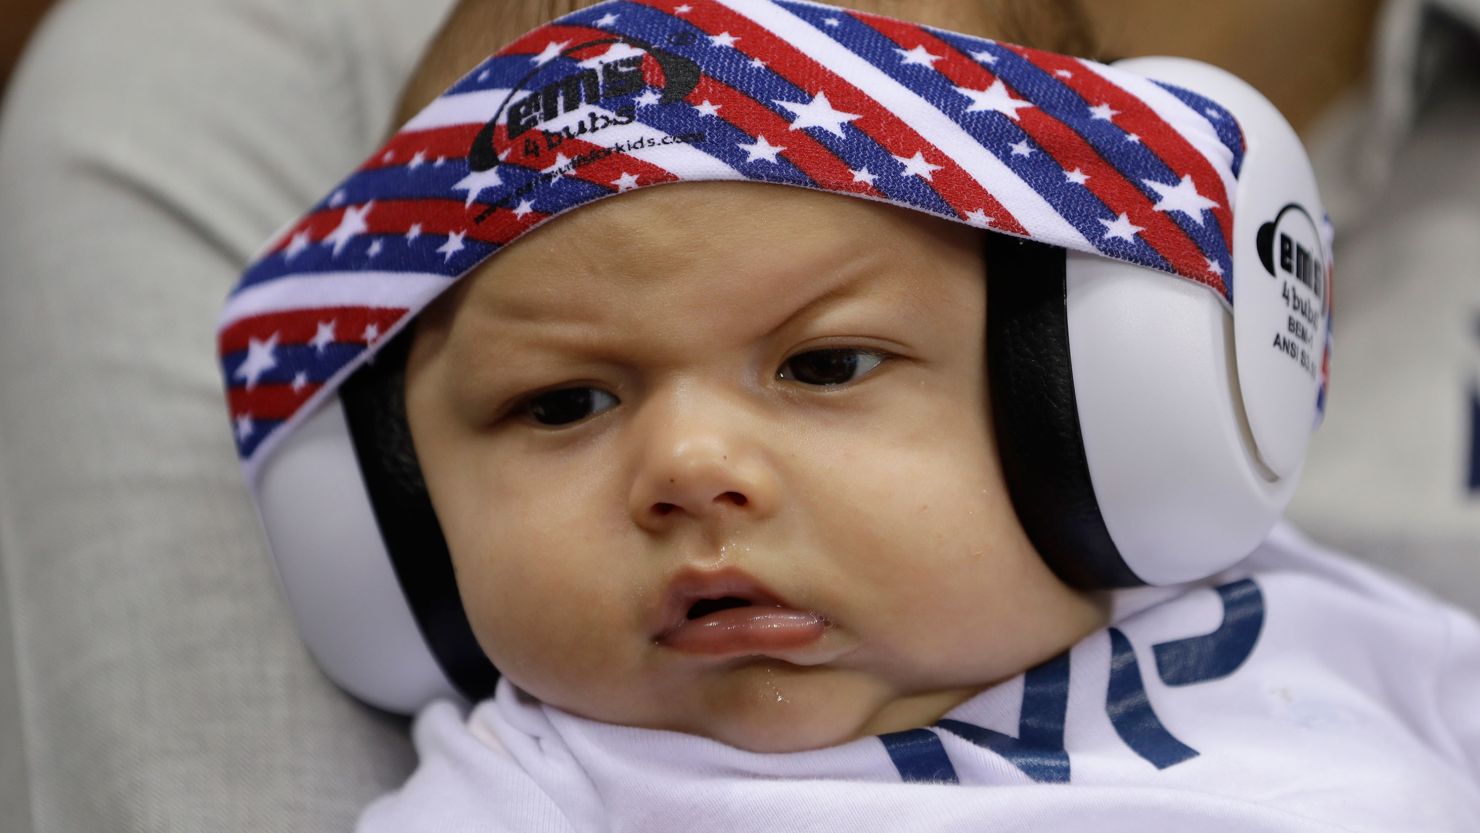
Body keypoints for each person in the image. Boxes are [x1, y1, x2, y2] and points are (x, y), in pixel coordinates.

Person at [211, 0, 1480, 829]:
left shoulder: (1347, 635)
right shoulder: (534, 794)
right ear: (395, 503)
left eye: (824, 365)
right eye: (563, 401)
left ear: (1105, 376)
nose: (689, 466)